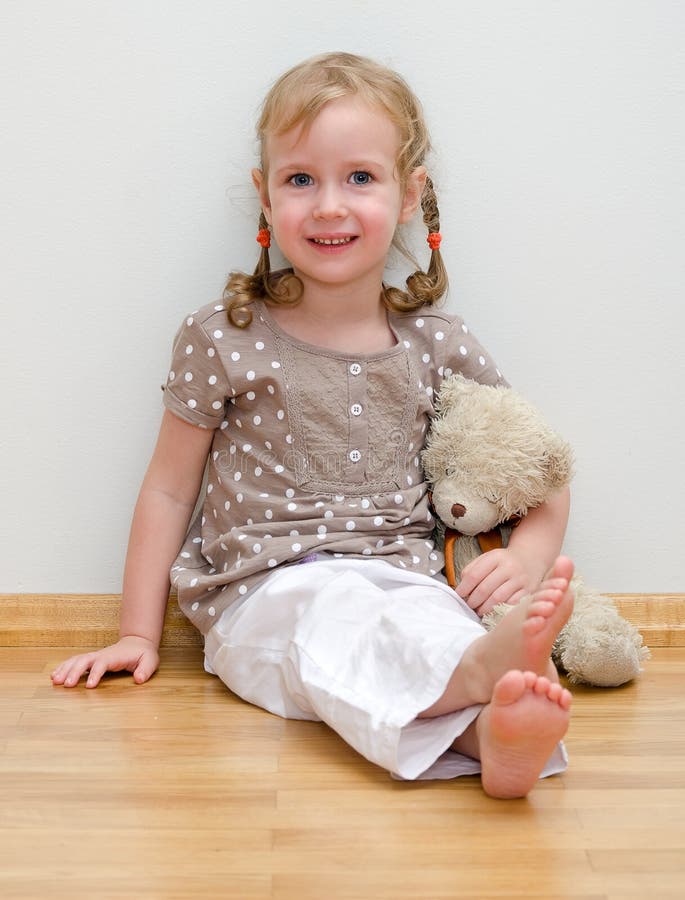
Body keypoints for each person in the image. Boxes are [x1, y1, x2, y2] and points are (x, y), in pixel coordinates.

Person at [51, 52, 573, 799]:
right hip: (263, 596)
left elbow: (537, 465)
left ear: (407, 194)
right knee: (337, 633)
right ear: (265, 198)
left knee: (426, 633)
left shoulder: (438, 344)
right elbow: (168, 492)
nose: (328, 204)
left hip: (408, 581)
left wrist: (530, 554)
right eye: (301, 179)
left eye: (359, 177)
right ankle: (481, 681)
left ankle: (494, 733)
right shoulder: (222, 337)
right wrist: (139, 631)